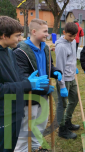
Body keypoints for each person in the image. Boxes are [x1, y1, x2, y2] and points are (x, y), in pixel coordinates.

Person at [0, 16, 49, 152]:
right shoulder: (16, 51)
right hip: (3, 116)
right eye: (17, 35)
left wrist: (27, 81)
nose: (20, 39)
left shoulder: (9, 52)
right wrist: (27, 85)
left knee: (9, 146)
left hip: (15, 110)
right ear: (4, 36)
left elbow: (15, 78)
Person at [13, 18, 62, 152]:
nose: (47, 34)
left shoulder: (45, 48)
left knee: (40, 124)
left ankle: (35, 147)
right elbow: (22, 76)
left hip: (44, 94)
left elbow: (48, 66)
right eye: (45, 31)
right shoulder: (20, 51)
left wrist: (55, 72)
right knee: (26, 128)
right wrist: (43, 88)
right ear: (34, 32)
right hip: (29, 97)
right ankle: (21, 150)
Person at [55, 22, 80, 139]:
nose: (72, 38)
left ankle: (67, 121)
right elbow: (60, 68)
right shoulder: (61, 47)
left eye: (74, 36)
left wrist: (74, 67)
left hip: (72, 77)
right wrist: (62, 86)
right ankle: (62, 129)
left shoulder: (73, 41)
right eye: (70, 36)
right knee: (62, 105)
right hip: (63, 79)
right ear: (64, 33)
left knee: (74, 100)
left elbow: (72, 57)